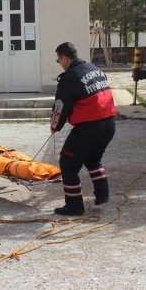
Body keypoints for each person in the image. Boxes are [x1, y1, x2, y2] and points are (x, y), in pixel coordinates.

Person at [50, 42, 117, 216]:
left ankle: (74, 206)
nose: (60, 64)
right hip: (109, 123)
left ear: (64, 58)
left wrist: (55, 126)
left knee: (67, 162)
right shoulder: (94, 68)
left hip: (90, 127)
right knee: (93, 158)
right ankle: (102, 193)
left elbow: (60, 106)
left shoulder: (70, 77)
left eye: (59, 61)